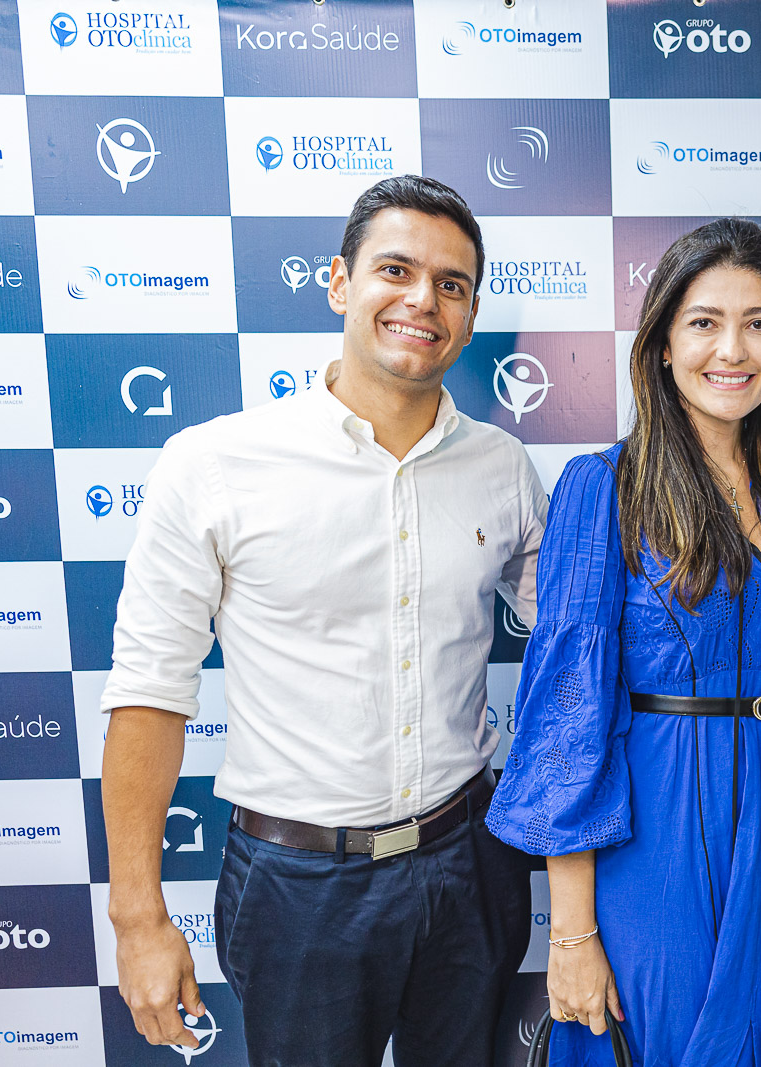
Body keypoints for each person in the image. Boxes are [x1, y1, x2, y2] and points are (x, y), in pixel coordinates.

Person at [100, 174, 547, 1067]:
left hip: (469, 863)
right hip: (299, 887)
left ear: (468, 317)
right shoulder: (212, 463)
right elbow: (150, 692)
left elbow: (577, 637)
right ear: (341, 283)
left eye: (451, 284)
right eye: (396, 270)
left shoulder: (504, 466)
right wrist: (137, 916)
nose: (423, 300)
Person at [487, 218, 761, 1066]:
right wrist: (571, 932)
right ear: (662, 345)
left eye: (759, 323)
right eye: (704, 322)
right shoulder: (603, 486)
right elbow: (569, 725)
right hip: (661, 836)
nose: (733, 349)